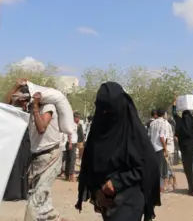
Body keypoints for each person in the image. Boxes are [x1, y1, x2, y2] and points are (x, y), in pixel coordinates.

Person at [76, 82, 161, 221]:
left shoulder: (133, 134)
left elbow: (147, 166)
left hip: (130, 198)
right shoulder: (97, 133)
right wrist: (97, 192)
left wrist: (117, 182)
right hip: (106, 201)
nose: (106, 115)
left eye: (111, 111)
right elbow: (90, 166)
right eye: (103, 110)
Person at [11, 83, 67, 221]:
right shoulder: (30, 109)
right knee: (44, 204)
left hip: (50, 156)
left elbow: (42, 128)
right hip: (37, 158)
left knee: (34, 203)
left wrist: (35, 105)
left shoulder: (48, 107)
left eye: (24, 101)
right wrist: (16, 86)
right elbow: (9, 103)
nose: (22, 104)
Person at [172, 99, 193, 196]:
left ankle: (190, 188)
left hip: (184, 149)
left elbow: (174, 113)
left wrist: (174, 103)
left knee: (188, 169)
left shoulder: (180, 121)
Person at [147, 109, 169, 192]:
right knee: (161, 168)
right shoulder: (163, 123)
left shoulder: (152, 123)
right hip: (160, 148)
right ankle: (160, 187)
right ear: (163, 114)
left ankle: (155, 185)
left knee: (155, 168)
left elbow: (149, 135)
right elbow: (161, 137)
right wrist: (165, 148)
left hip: (153, 148)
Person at [64, 112, 81, 182]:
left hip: (73, 143)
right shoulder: (72, 124)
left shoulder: (76, 125)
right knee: (72, 160)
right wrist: (70, 143)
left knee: (69, 159)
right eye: (78, 118)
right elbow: (69, 134)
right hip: (71, 143)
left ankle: (67, 175)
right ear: (75, 118)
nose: (79, 119)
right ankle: (71, 175)